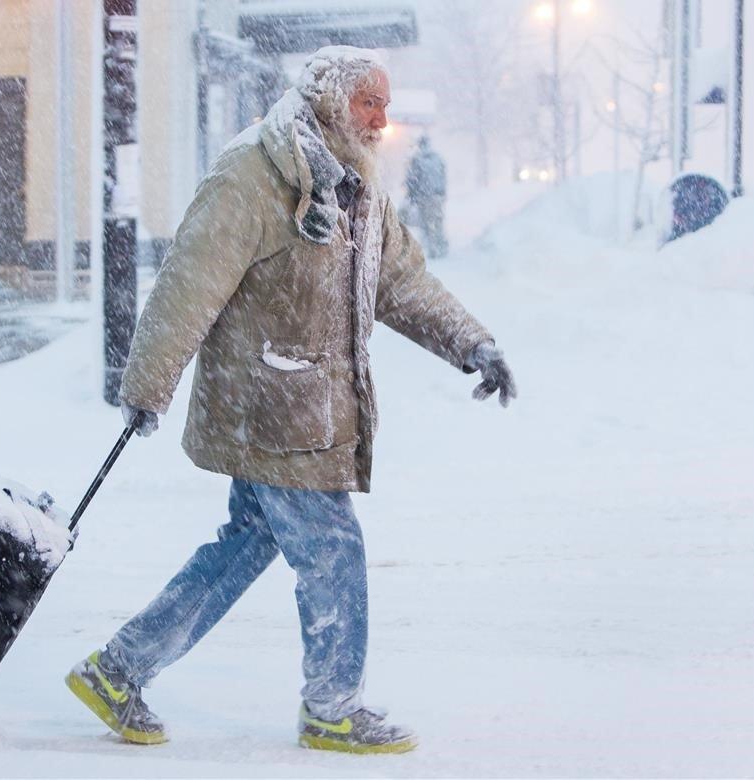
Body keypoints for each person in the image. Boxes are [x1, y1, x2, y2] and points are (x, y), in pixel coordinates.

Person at [65, 46, 516, 755]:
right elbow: (190, 282)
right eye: (371, 101)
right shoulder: (254, 173)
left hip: (309, 403)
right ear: (334, 101)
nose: (382, 117)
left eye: (385, 103)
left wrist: (472, 343)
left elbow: (400, 280)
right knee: (334, 550)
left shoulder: (357, 184)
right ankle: (333, 706)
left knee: (247, 543)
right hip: (269, 402)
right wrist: (150, 383)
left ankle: (118, 669)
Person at [404, 134, 449, 258]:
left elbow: (412, 180)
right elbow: (443, 175)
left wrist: (411, 197)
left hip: (424, 197)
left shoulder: (417, 159)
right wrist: (442, 193)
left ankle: (432, 248)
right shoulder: (438, 158)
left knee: (426, 223)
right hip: (438, 196)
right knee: (438, 221)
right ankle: (441, 246)